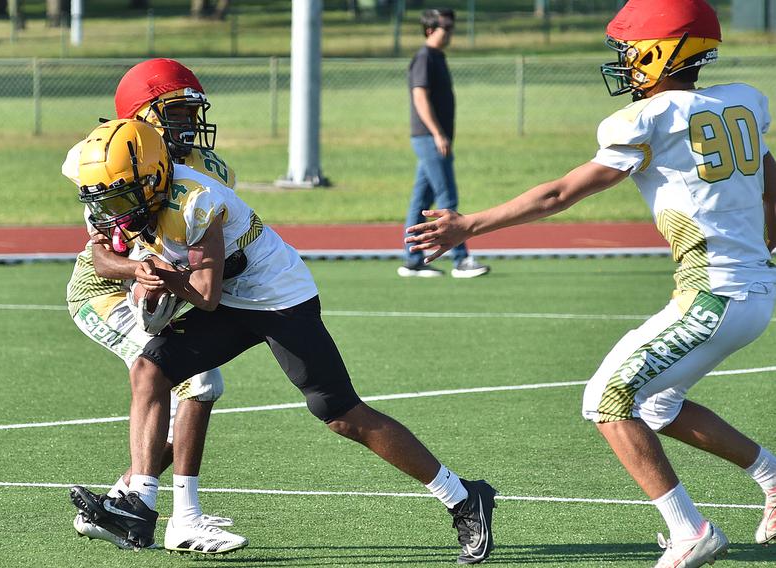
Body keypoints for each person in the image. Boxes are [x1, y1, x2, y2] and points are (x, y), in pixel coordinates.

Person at [406, 0, 776, 565]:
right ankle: (772, 476)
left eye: (632, 50)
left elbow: (559, 194)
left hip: (714, 295)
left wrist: (468, 224)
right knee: (657, 406)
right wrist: (762, 251)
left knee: (605, 399)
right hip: (750, 293)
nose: (626, 61)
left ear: (661, 52)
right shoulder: (740, 102)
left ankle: (689, 531)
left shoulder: (651, 119)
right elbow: (773, 188)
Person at [67, 118, 498, 565]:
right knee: (149, 368)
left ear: (154, 177)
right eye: (107, 198)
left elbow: (206, 295)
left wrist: (161, 277)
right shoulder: (109, 194)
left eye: (122, 197)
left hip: (276, 298)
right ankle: (140, 501)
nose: (114, 209)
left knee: (339, 413)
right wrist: (135, 270)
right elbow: (100, 253)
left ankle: (464, 496)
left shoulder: (196, 201)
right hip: (228, 295)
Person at [63, 58, 247, 554]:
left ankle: (122, 504)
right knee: (201, 381)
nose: (188, 125)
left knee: (193, 393)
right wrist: (139, 271)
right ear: (143, 118)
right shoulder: (111, 161)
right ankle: (183, 518)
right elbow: (102, 256)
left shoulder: (210, 170)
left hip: (165, 287)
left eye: (192, 114)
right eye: (177, 114)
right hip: (102, 294)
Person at [400, 7, 489, 279]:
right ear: (429, 30)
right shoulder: (425, 57)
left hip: (432, 137)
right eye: (445, 28)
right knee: (447, 197)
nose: (450, 32)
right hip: (429, 138)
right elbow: (420, 98)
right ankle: (461, 260)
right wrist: (438, 133)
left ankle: (413, 261)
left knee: (421, 201)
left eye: (451, 26)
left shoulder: (437, 56)